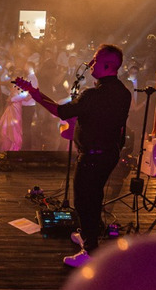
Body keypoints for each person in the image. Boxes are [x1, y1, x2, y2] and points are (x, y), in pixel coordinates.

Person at [22, 44, 132, 267]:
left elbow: (60, 112)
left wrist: (35, 94)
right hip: (109, 154)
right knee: (94, 197)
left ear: (107, 65)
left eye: (94, 59)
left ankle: (90, 250)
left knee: (84, 202)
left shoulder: (93, 95)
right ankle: (86, 234)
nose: (90, 63)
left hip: (92, 157)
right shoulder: (123, 93)